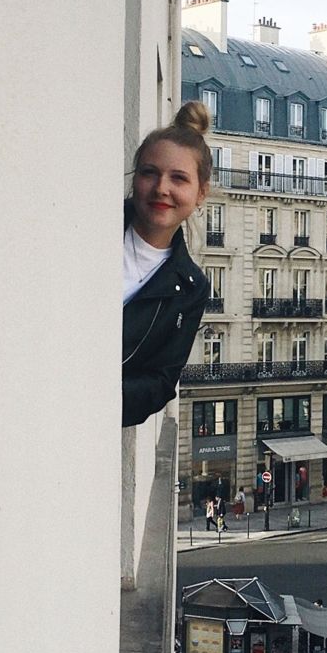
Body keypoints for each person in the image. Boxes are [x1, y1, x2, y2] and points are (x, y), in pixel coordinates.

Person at [123, 102, 212, 427]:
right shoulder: (93, 230)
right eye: (150, 173)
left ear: (201, 193)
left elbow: (160, 383)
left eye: (179, 178)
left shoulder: (191, 288)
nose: (162, 188)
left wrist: (96, 397)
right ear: (135, 179)